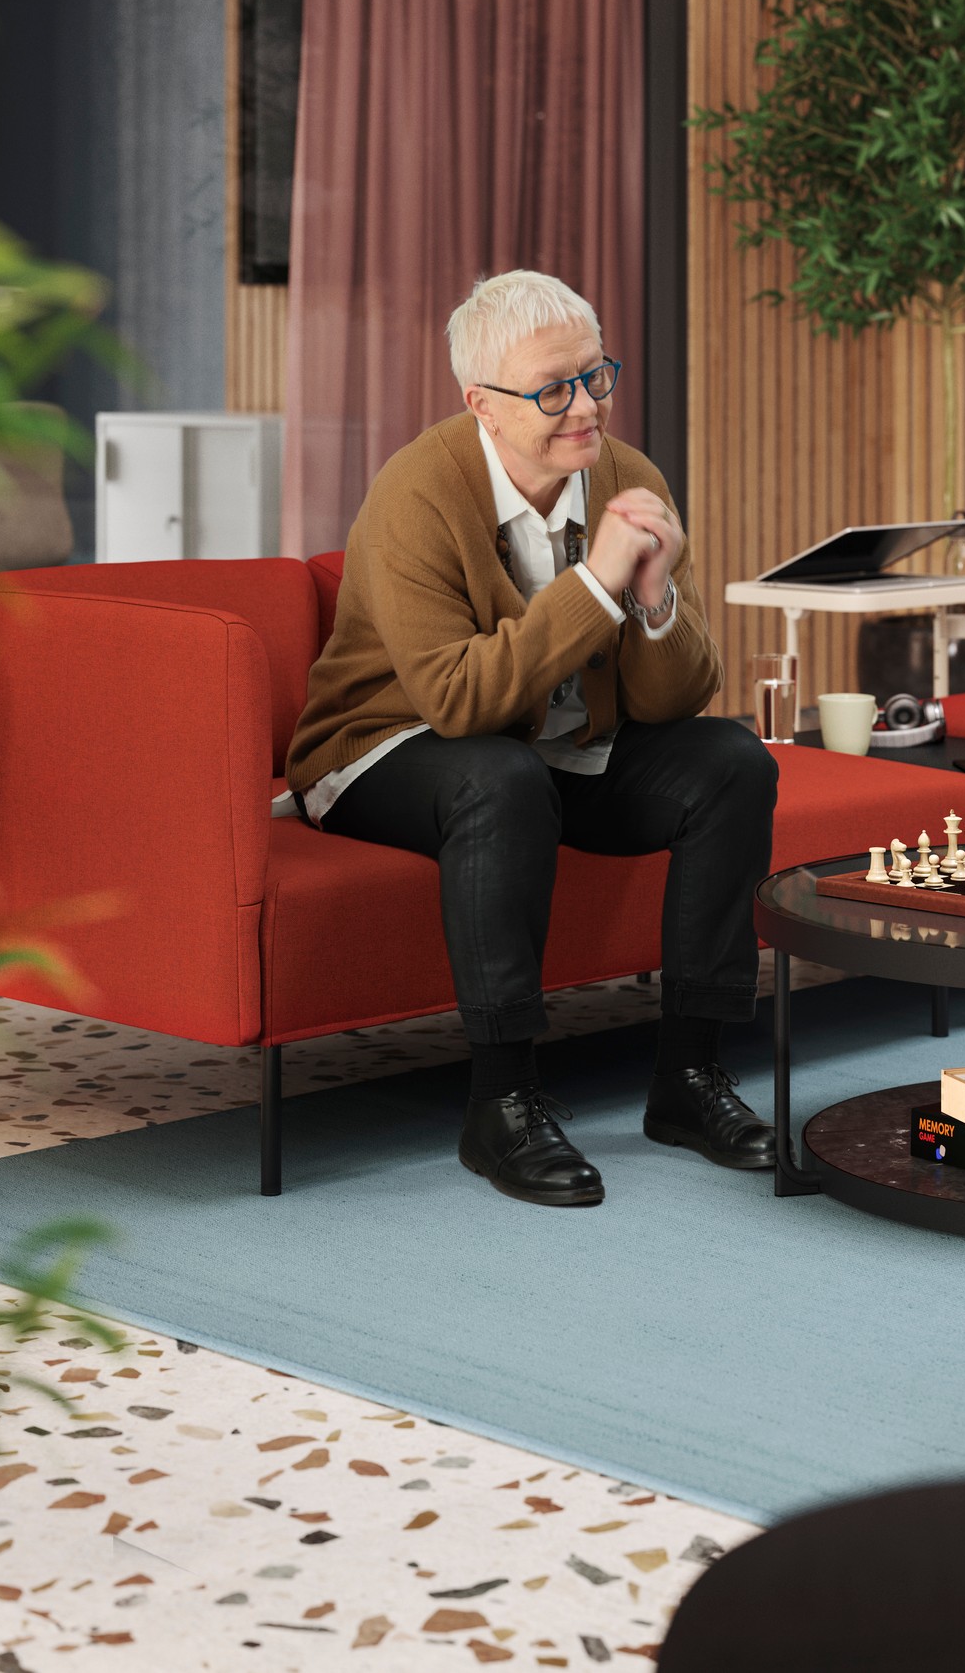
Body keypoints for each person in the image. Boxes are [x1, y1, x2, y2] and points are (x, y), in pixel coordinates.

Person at [286, 269, 780, 1208]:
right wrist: (594, 584)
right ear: (483, 403)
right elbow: (457, 699)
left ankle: (689, 1077)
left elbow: (676, 700)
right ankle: (501, 1101)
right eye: (553, 390)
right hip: (385, 745)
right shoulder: (416, 492)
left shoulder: (628, 477)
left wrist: (654, 599)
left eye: (597, 376)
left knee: (730, 762)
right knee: (500, 778)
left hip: (554, 749)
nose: (584, 407)